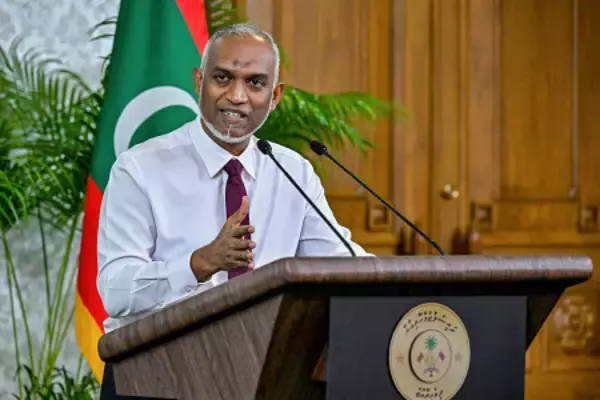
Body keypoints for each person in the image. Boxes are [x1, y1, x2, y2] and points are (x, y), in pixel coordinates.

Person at [97, 23, 370, 399]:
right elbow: (116, 289)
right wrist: (199, 263)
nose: (237, 96)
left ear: (274, 96)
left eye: (255, 83)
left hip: (261, 374)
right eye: (223, 78)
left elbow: (343, 264)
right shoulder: (140, 169)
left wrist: (407, 283)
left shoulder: (293, 172)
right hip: (155, 375)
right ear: (199, 81)